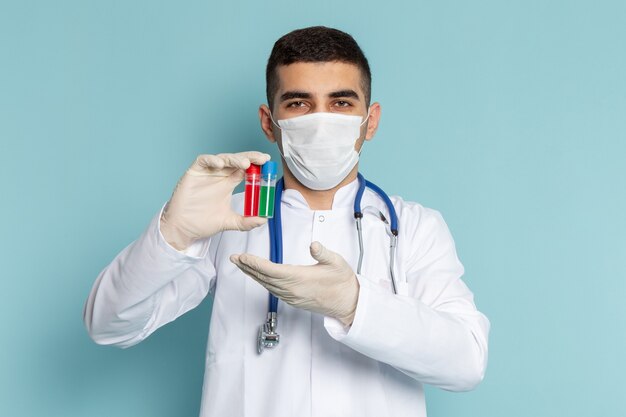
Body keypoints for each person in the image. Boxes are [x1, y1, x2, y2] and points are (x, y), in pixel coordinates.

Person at [84, 26, 490, 417]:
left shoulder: (412, 227)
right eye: (298, 103)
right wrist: (174, 233)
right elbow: (108, 325)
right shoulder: (228, 219)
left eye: (341, 103)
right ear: (268, 122)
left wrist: (356, 304)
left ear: (371, 120)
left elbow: (467, 361)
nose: (321, 119)